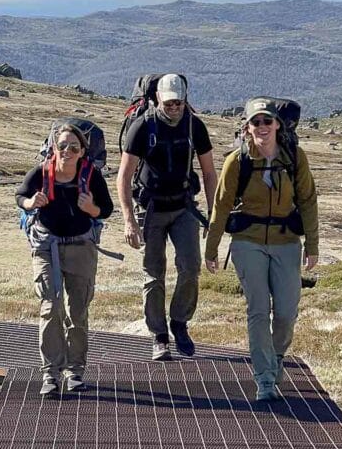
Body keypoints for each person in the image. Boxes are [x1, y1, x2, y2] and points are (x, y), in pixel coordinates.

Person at [204, 98, 319, 401]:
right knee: (257, 310)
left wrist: (313, 246)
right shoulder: (238, 161)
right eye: (256, 122)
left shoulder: (294, 157)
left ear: (278, 125)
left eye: (267, 121)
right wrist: (211, 248)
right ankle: (264, 379)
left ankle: (277, 357)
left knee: (285, 311)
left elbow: (308, 200)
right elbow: (221, 205)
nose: (262, 127)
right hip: (247, 242)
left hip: (286, 242)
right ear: (247, 127)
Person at [116, 74, 216, 361]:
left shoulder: (194, 126)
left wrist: (214, 214)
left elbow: (209, 172)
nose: (174, 107)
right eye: (169, 102)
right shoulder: (142, 126)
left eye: (178, 102)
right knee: (153, 272)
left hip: (184, 206)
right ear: (158, 98)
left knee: (190, 267)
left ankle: (179, 323)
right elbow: (123, 176)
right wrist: (128, 220)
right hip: (151, 209)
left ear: (185, 100)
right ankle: (158, 335)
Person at [16, 124, 113, 396]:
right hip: (47, 246)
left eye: (73, 147)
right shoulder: (41, 173)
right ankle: (50, 373)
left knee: (77, 310)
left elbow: (105, 209)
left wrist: (90, 208)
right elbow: (20, 195)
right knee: (51, 306)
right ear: (53, 148)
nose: (67, 151)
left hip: (81, 247)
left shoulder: (90, 176)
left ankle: (75, 371)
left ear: (83, 151)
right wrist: (29, 203)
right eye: (62, 146)